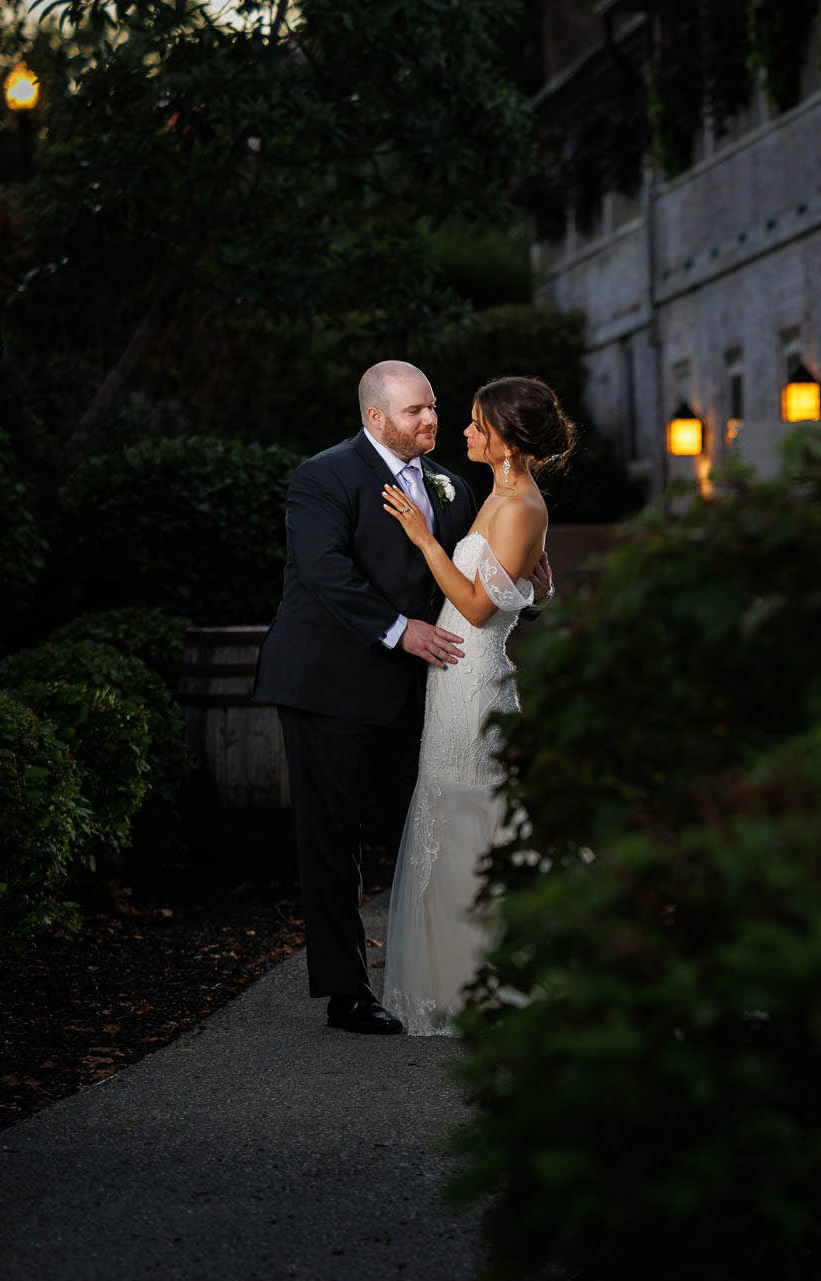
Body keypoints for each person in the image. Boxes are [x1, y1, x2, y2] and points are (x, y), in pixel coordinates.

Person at [252, 360, 550, 1035]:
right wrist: (399, 630)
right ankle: (346, 991)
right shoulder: (324, 476)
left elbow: (478, 577)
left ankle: (454, 968)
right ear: (377, 417)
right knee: (331, 841)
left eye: (434, 407)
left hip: (424, 687)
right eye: (416, 411)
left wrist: (525, 601)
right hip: (327, 683)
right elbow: (324, 571)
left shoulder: (456, 484)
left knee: (424, 829)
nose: (431, 420)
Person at [378, 375, 570, 1036]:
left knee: (475, 811)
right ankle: (459, 976)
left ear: (507, 439)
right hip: (454, 676)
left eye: (475, 425)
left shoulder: (520, 506)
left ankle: (493, 980)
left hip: (475, 677)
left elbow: (481, 605)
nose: (462, 432)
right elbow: (513, 588)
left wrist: (423, 537)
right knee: (452, 809)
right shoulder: (504, 494)